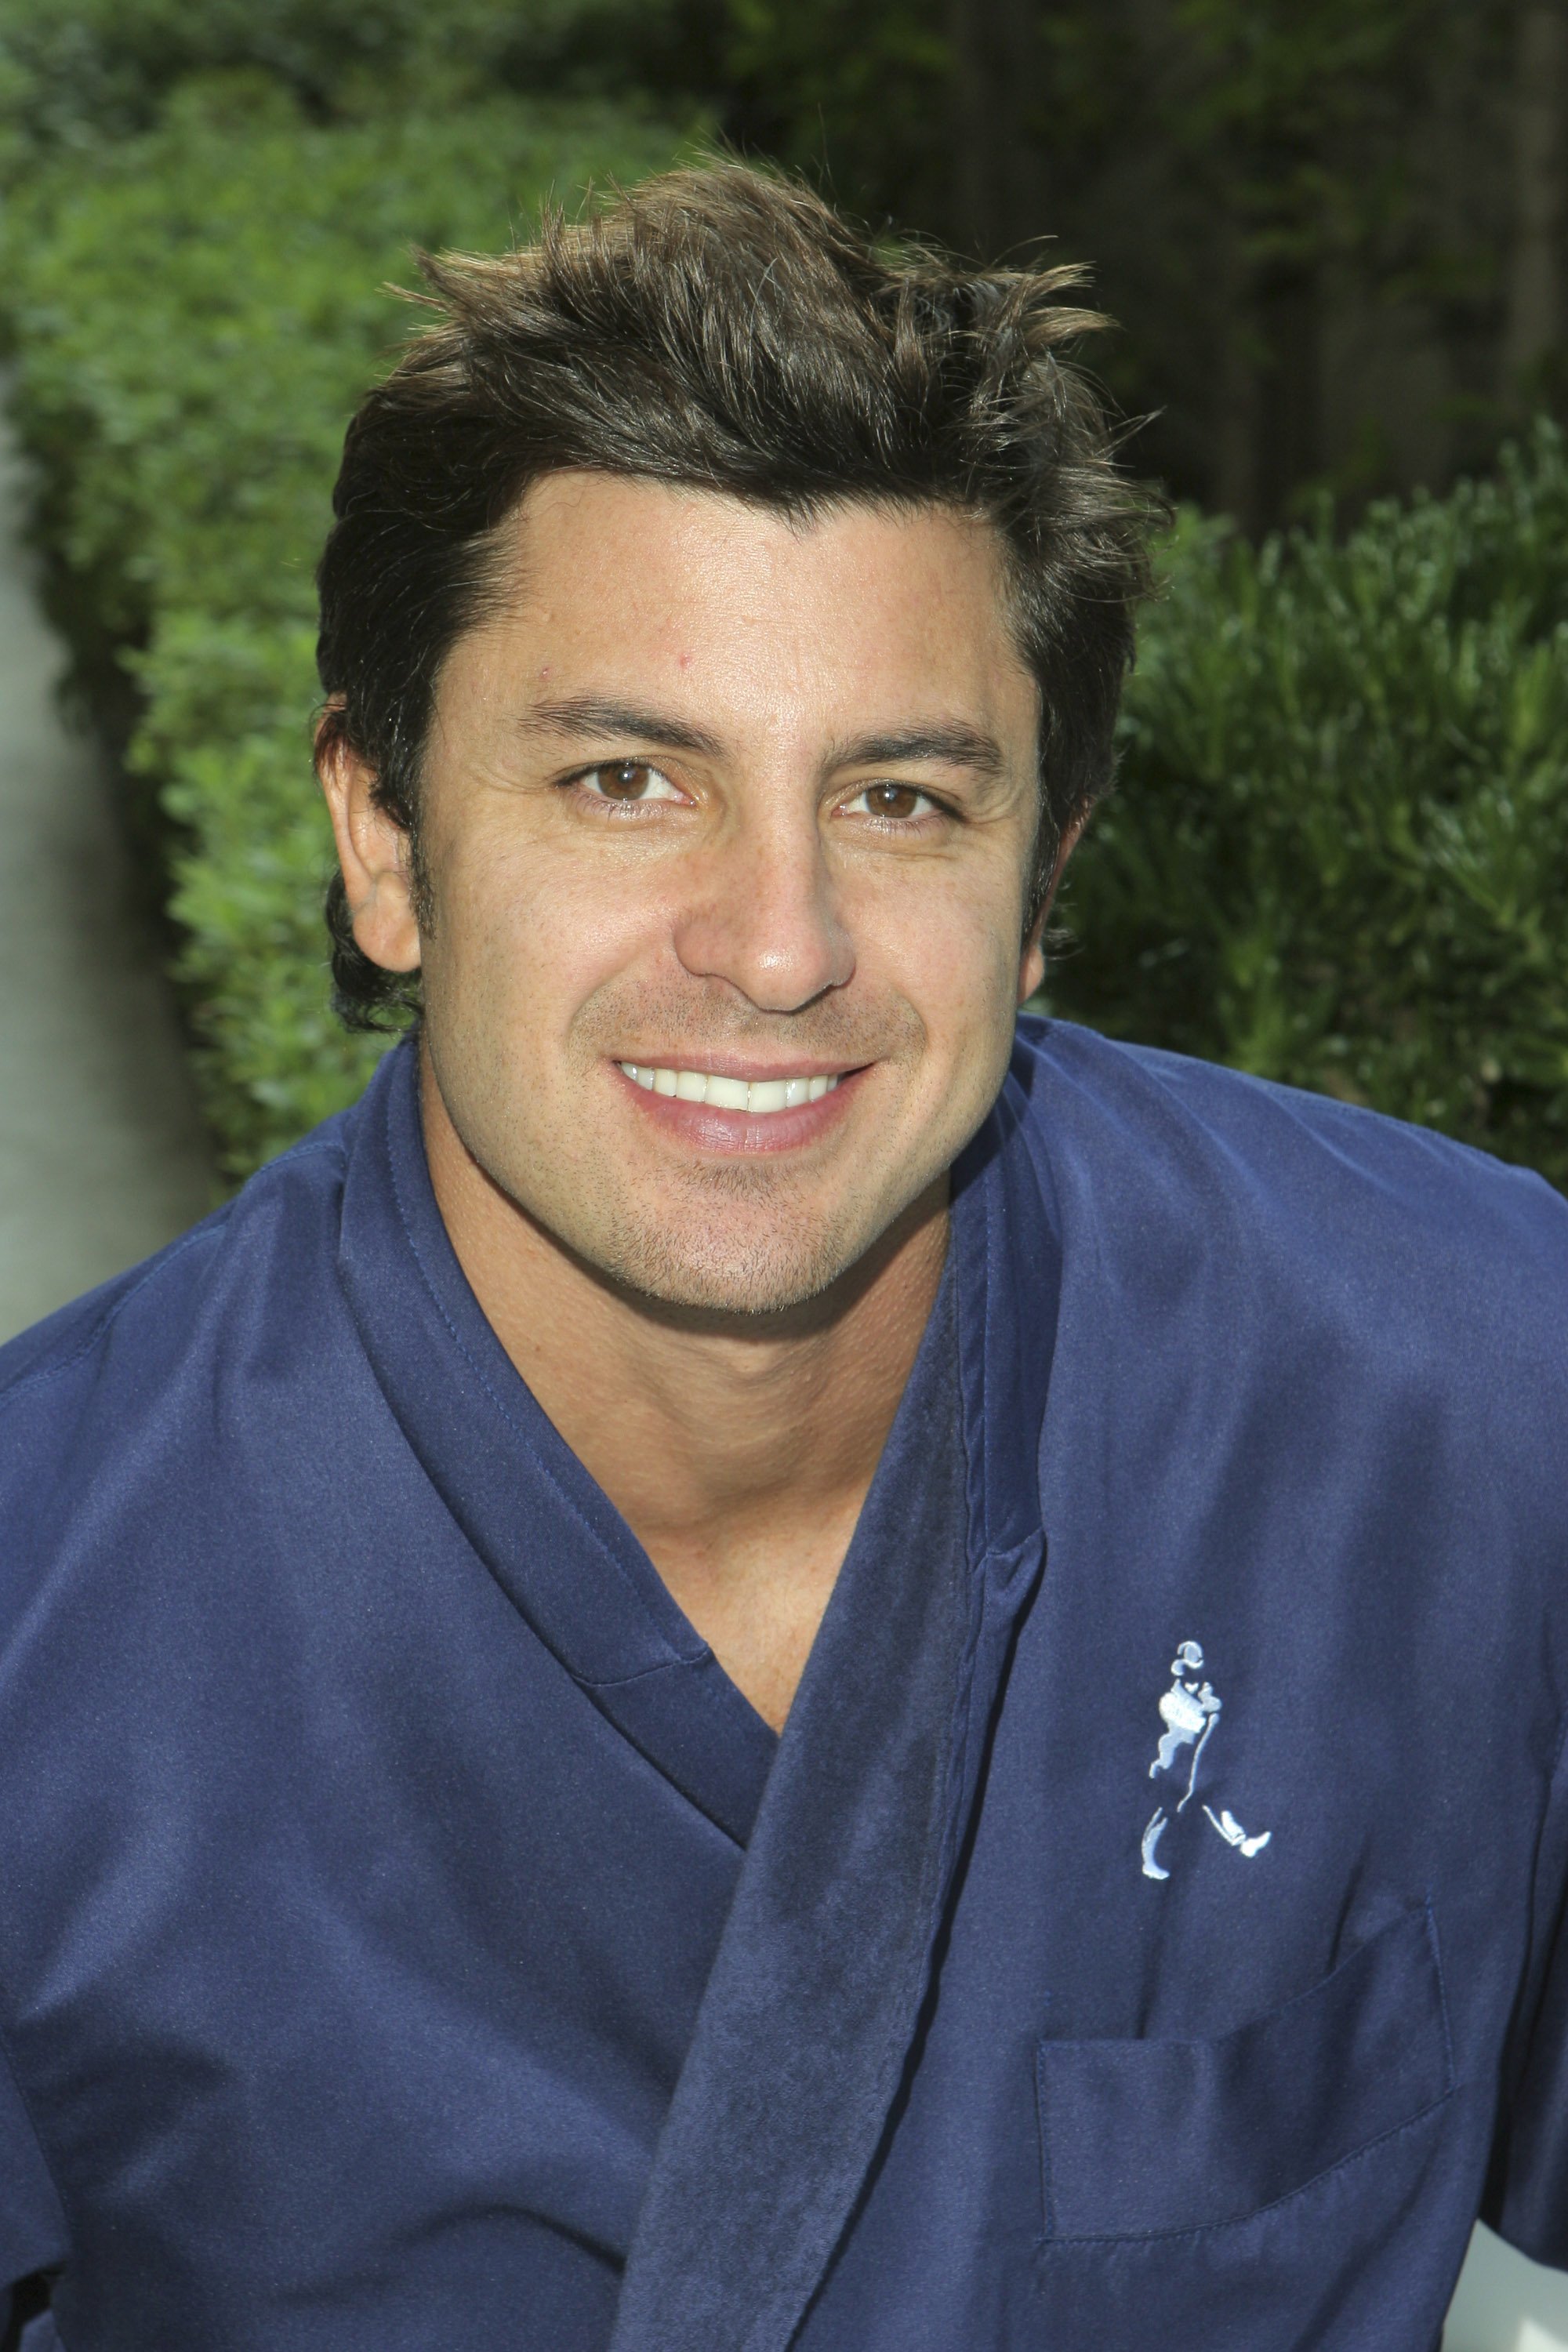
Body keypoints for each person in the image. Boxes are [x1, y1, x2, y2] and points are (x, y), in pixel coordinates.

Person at [1, 162, 1566, 2352]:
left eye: (902, 802)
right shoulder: (47, 1607)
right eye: (630, 779)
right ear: (384, 838)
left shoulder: (1474, 1397)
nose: (775, 946)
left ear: (1044, 892)